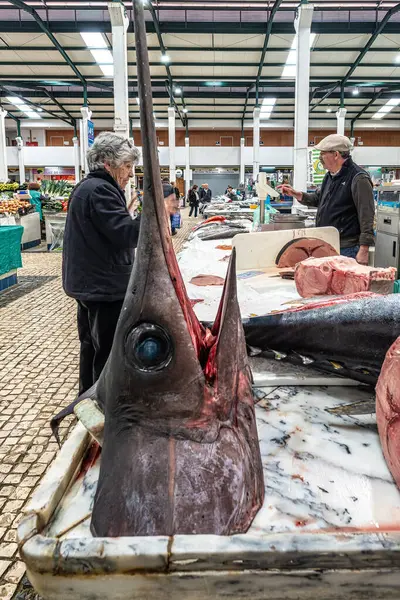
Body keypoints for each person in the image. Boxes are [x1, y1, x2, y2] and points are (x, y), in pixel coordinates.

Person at [277, 134, 374, 265]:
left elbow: (367, 215)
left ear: (336, 155)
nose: (320, 157)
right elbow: (318, 199)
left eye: (323, 153)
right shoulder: (329, 176)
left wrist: (364, 249)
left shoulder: (358, 178)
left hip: (348, 247)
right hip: (328, 243)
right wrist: (296, 194)